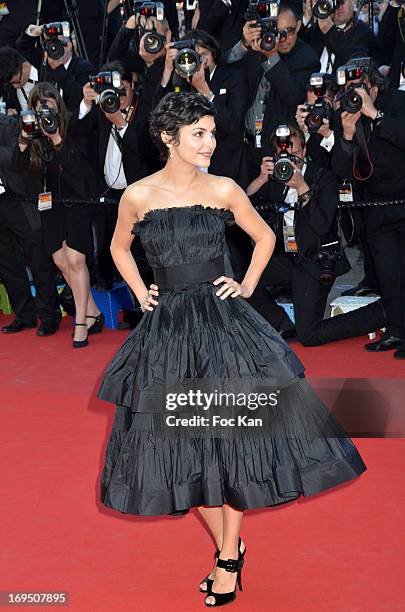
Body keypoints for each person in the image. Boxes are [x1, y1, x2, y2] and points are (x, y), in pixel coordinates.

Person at [97, 91, 367, 607]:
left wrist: (244, 285)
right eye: (198, 134)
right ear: (168, 139)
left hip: (223, 329)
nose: (208, 143)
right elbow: (116, 246)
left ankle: (226, 557)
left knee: (231, 442)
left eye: (212, 134)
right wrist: (138, 289)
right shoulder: (137, 195)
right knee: (180, 447)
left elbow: (264, 238)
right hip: (168, 331)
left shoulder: (222, 189)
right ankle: (232, 542)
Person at [246, 123, 385, 345]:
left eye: (296, 152)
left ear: (305, 151)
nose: (291, 159)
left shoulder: (322, 178)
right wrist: (262, 178)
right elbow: (244, 205)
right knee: (243, 280)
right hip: (288, 258)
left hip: (317, 260)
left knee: (309, 336)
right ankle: (282, 323)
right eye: (284, 153)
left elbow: (322, 226)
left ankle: (379, 313)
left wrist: (302, 187)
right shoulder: (276, 178)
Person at [15, 82, 103, 348]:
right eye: (40, 109)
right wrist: (25, 138)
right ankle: (93, 312)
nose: (46, 115)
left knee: (76, 258)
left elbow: (77, 171)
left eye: (49, 107)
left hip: (77, 200)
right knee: (61, 260)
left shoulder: (73, 126)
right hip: (51, 203)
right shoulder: (34, 134)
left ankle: (80, 322)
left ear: (58, 105)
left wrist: (56, 138)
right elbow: (20, 169)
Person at [331, 63, 405, 357]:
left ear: (373, 83)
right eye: (348, 89)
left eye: (359, 86)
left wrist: (374, 114)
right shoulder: (346, 114)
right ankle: (397, 331)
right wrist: (347, 135)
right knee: (388, 276)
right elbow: (340, 170)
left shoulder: (396, 102)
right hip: (375, 208)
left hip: (403, 200)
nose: (354, 94)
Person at [0, 112, 61, 335]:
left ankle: (49, 315)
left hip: (17, 201)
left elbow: (16, 161)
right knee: (6, 262)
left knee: (36, 257)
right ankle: (24, 314)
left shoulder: (9, 124)